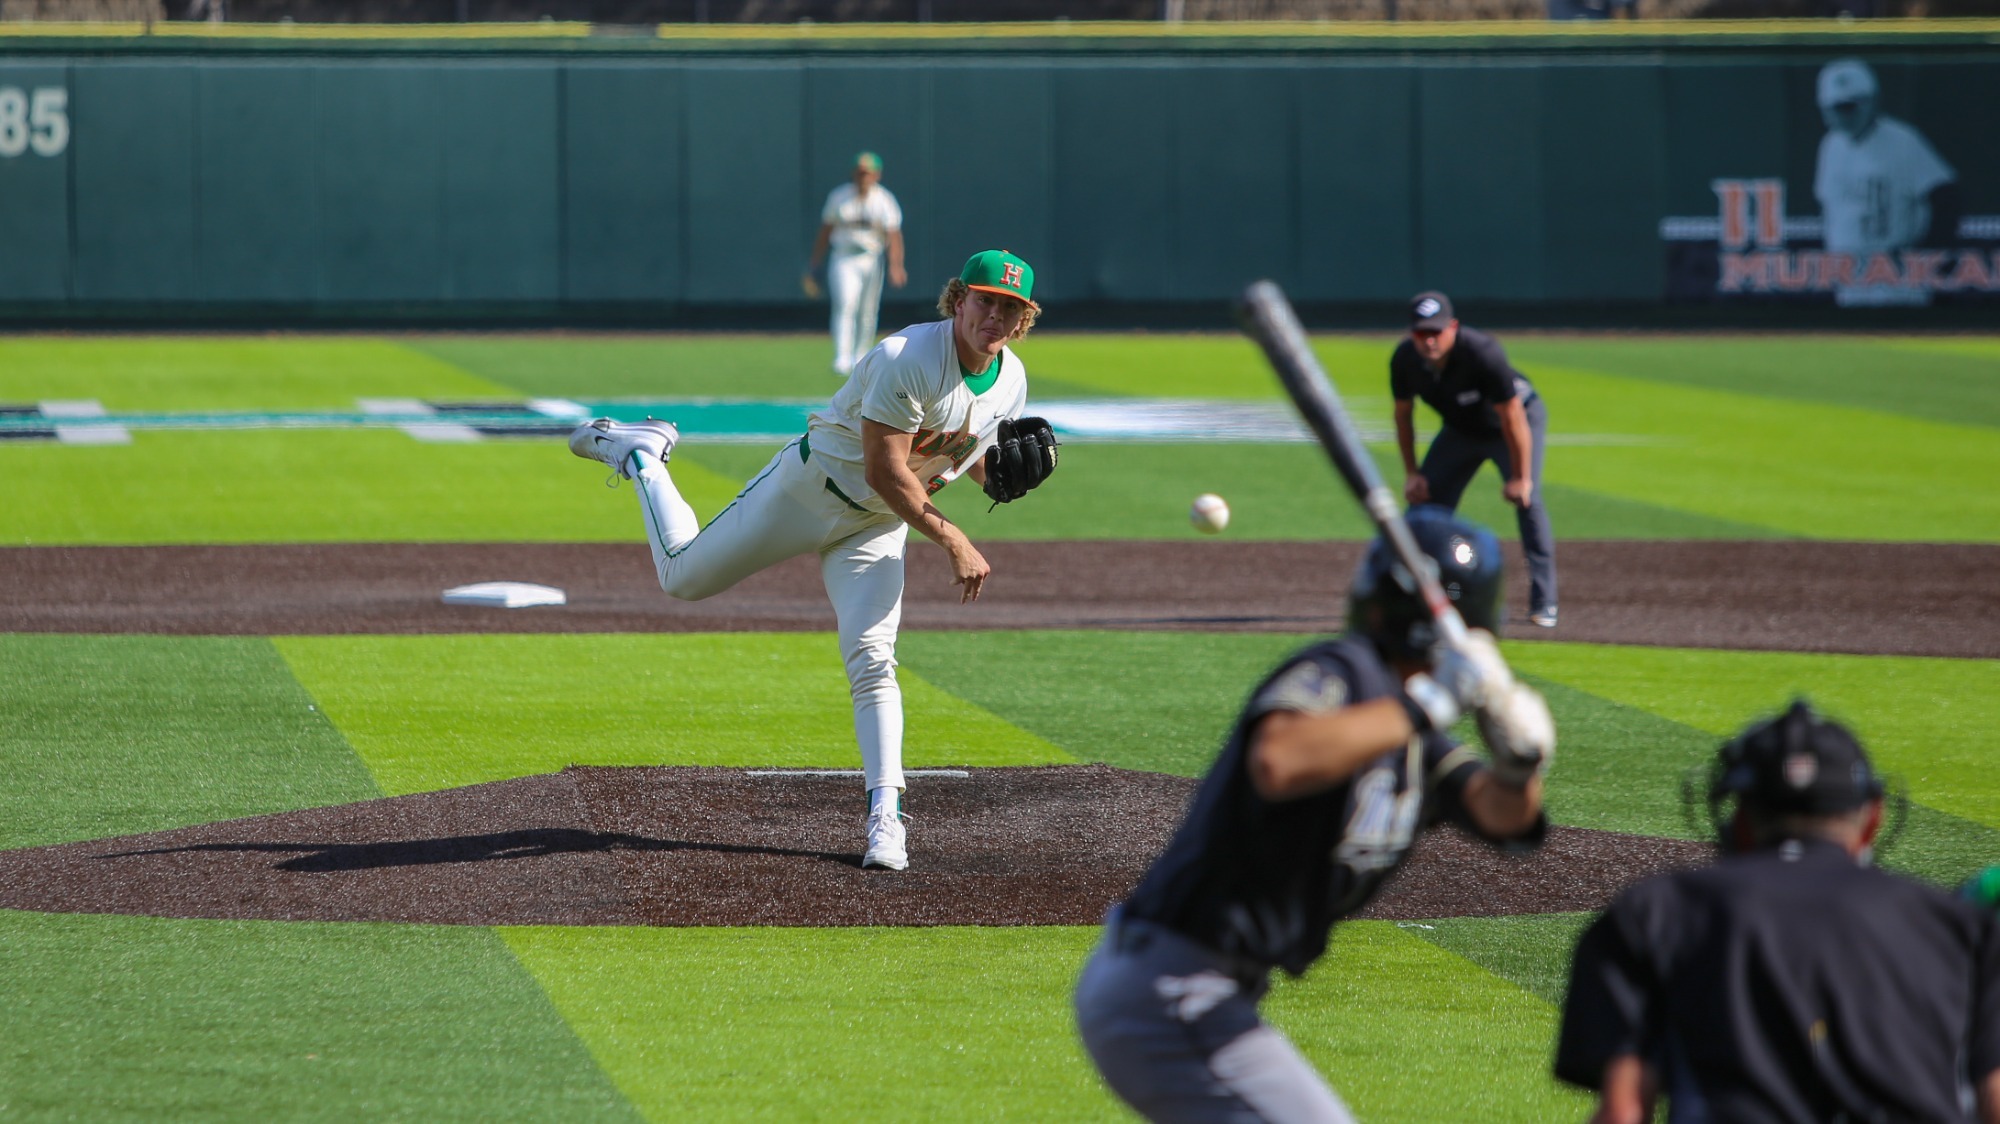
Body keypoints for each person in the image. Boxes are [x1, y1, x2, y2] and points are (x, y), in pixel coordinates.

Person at [568, 250, 1057, 872]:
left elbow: (960, 453)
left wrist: (999, 480)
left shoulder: (1011, 380)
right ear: (958, 300)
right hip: (806, 492)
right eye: (984, 299)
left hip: (876, 530)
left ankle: (888, 817)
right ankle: (642, 455)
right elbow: (886, 469)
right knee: (682, 578)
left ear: (1024, 320)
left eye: (1009, 307)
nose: (994, 314)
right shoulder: (907, 358)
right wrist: (955, 540)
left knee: (874, 660)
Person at [1074, 508, 1555, 1122]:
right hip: (1169, 986)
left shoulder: (1412, 739)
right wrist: (1434, 700)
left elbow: (1501, 817)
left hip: (1208, 994)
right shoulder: (1339, 672)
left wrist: (1519, 764)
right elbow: (1278, 759)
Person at [1555, 700, 2000, 1124]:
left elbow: (1623, 1112)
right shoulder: (1958, 925)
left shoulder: (1655, 911)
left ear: (1740, 820)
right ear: (1872, 818)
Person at [1391, 291, 1558, 628]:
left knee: (1528, 501)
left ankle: (1545, 602)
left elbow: (1512, 414)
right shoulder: (1405, 360)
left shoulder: (1482, 352)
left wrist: (1521, 477)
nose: (1429, 341)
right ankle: (1419, 597)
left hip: (1511, 424)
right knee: (1422, 511)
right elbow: (1402, 415)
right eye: (1422, 333)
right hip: (1461, 430)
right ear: (1412, 334)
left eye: (1436, 332)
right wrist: (1412, 474)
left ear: (1453, 327)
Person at [1813, 58, 1960, 308]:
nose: (1843, 115)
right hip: (1850, 280)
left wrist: (1925, 258)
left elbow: (1947, 196)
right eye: (1836, 108)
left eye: (1850, 106)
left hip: (1897, 280)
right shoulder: (1830, 146)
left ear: (1871, 101)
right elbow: (1829, 210)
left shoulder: (1902, 141)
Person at [805, 151, 908, 376]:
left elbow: (894, 235)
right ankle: (842, 356)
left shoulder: (884, 200)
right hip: (844, 256)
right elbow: (825, 231)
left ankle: (861, 355)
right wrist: (815, 263)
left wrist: (896, 265)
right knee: (845, 303)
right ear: (854, 173)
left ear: (876, 175)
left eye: (868, 173)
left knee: (868, 309)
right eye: (860, 172)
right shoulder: (839, 197)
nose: (864, 177)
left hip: (871, 257)